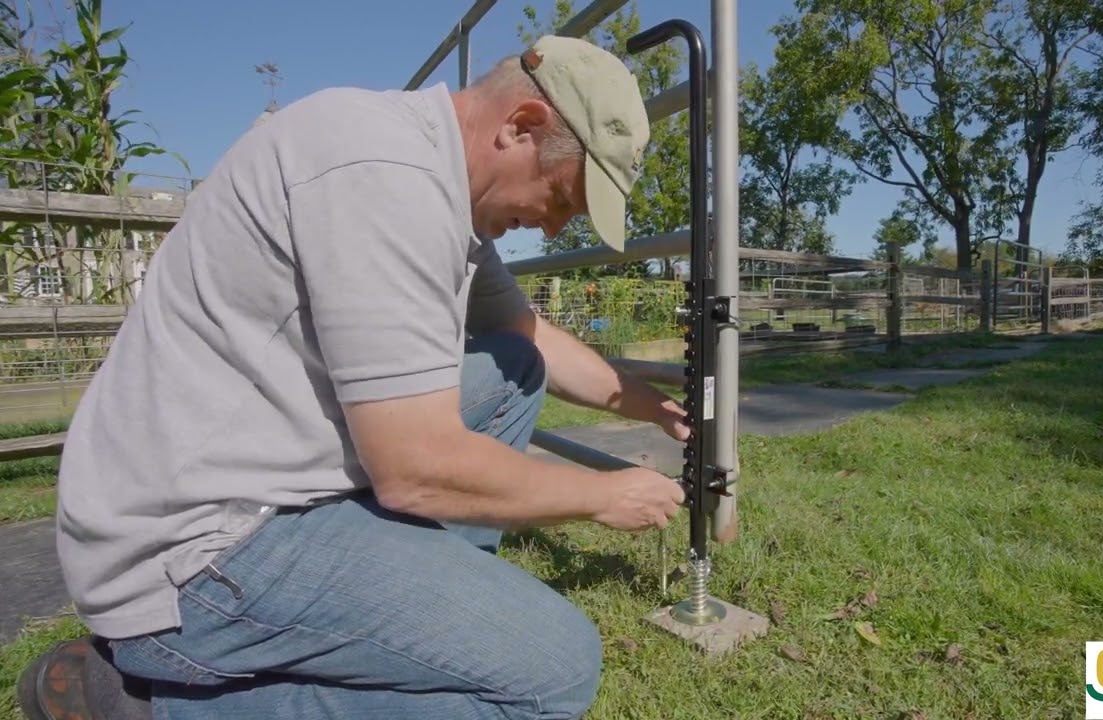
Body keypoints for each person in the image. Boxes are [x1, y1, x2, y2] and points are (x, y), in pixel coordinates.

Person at [19, 34, 689, 720]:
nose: (552, 229)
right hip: (192, 553)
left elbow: (529, 335)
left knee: (513, 369)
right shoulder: (383, 177)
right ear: (521, 127)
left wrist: (658, 406)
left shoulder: (430, 178)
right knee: (554, 673)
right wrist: (599, 494)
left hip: (249, 478)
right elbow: (416, 468)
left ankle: (421, 620)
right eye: (563, 198)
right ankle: (146, 708)